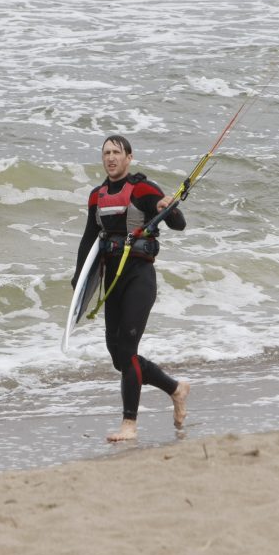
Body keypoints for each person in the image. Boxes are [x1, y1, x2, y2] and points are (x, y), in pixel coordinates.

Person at [72, 134, 190, 442]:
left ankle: (129, 424)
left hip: (139, 277)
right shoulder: (96, 196)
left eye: (116, 152)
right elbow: (88, 239)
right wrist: (78, 281)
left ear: (129, 157)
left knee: (128, 350)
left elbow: (178, 223)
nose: (110, 157)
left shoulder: (143, 189)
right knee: (118, 356)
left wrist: (169, 207)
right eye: (106, 153)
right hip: (112, 279)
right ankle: (175, 389)